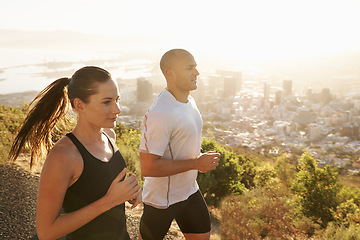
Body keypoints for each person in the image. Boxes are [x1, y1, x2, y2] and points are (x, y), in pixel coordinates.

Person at [8, 66, 141, 240]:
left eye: (117, 99)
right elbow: (46, 232)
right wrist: (109, 201)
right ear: (79, 104)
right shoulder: (63, 156)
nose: (117, 109)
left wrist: (130, 191)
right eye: (106, 102)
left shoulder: (109, 136)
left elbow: (101, 188)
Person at [138, 49, 220, 240]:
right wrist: (195, 164)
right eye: (190, 68)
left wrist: (200, 159)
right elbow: (148, 166)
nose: (196, 73)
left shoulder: (189, 101)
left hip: (189, 191)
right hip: (161, 200)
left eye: (196, 67)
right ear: (170, 73)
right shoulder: (161, 113)